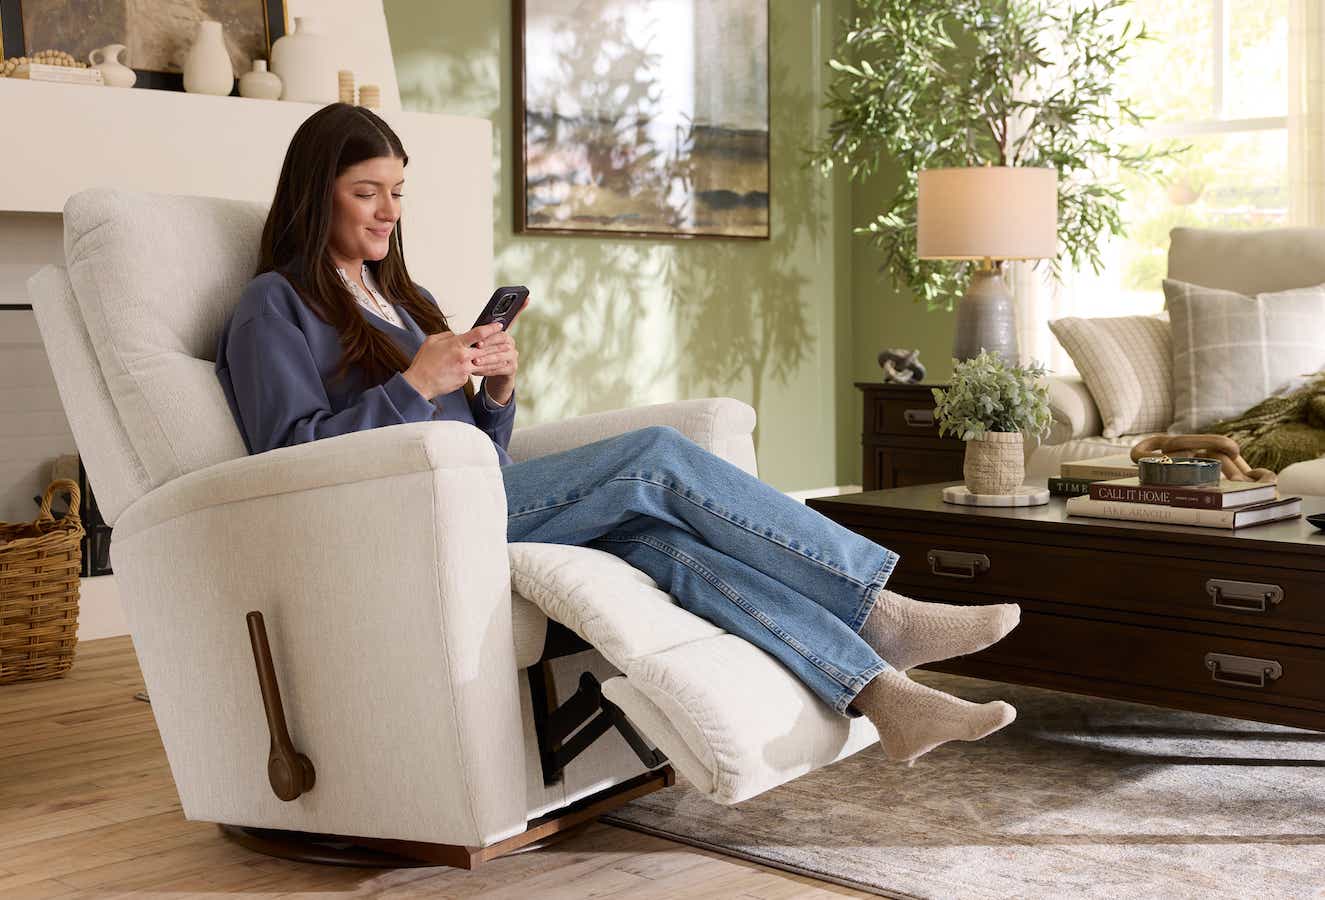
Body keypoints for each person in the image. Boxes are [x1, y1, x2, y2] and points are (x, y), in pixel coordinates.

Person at [215, 103, 1021, 764]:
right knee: (657, 460)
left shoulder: (405, 299)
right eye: (366, 193)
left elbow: (475, 449)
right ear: (315, 195)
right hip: (399, 516)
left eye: (397, 191)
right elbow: (291, 459)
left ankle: (883, 694)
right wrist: (415, 383)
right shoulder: (273, 306)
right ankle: (878, 610)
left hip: (476, 492)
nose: (390, 211)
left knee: (664, 543)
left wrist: (495, 393)